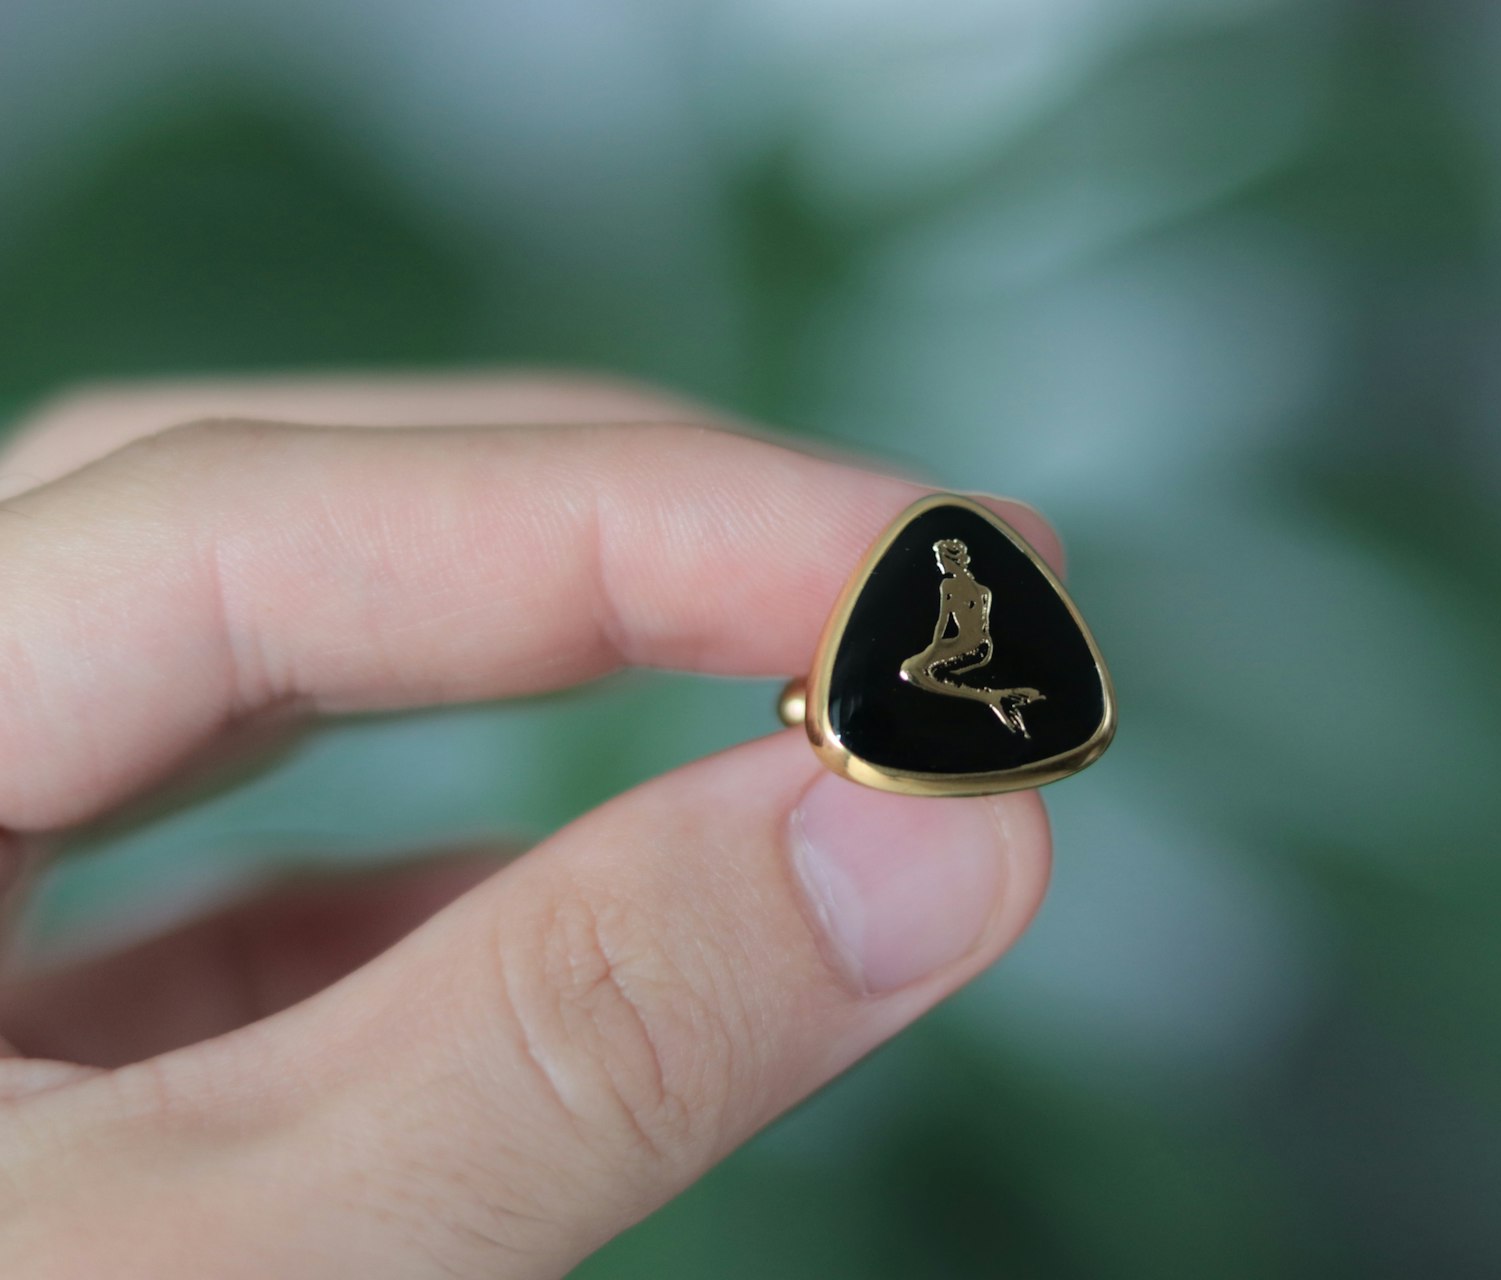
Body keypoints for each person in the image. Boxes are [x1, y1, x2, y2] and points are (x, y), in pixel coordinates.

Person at [0, 373, 1059, 1278]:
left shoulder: (955, 583)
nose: (962, 573)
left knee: (934, 673)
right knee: (932, 674)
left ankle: (999, 703)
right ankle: (997, 703)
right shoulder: (947, 581)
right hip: (898, 690)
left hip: (910, 687)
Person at [898, 537, 1045, 737]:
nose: (939, 563)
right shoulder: (983, 590)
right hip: (983, 646)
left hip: (965, 645)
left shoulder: (948, 585)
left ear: (949, 559)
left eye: (940, 558)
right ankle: (992, 697)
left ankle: (986, 697)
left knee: (912, 670)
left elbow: (942, 624)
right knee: (922, 670)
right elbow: (983, 625)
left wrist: (933, 650)